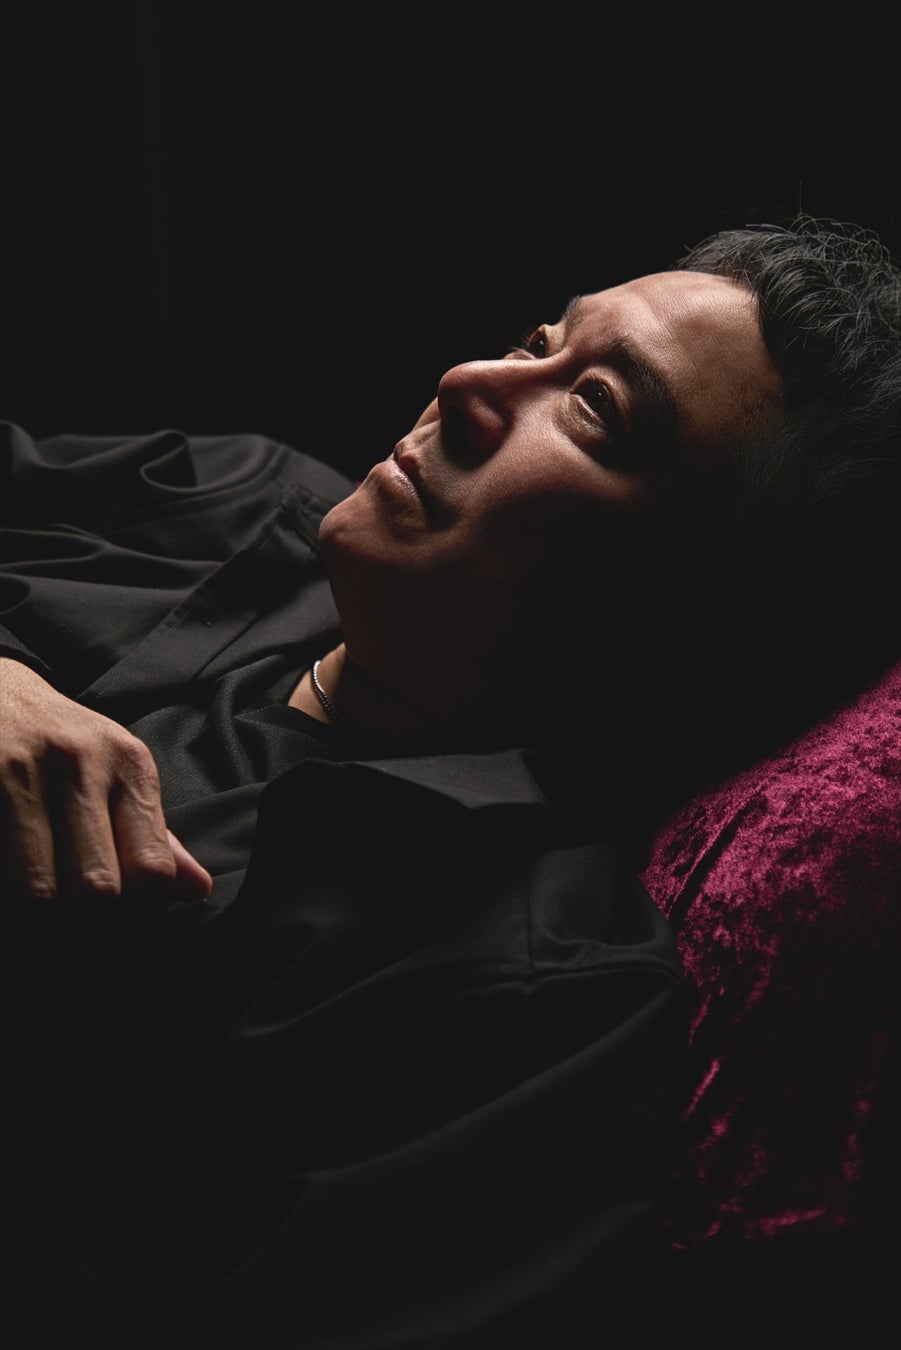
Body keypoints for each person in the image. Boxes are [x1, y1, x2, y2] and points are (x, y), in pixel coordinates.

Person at [1, 214, 899, 1350]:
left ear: (696, 611)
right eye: (538, 342)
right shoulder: (237, 495)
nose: (469, 380)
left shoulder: (511, 1013)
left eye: (591, 409)